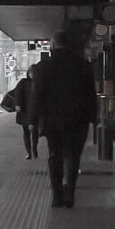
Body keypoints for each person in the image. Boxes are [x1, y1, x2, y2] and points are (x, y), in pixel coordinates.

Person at [30, 31, 98, 207]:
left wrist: (33, 120)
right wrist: (93, 117)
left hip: (52, 120)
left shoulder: (43, 67)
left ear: (53, 45)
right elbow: (91, 95)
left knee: (55, 155)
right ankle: (70, 194)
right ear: (69, 45)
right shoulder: (83, 66)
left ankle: (56, 195)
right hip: (77, 119)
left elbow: (37, 95)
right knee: (73, 156)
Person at [3, 72, 38, 159]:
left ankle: (34, 149)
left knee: (34, 132)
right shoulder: (23, 82)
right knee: (27, 132)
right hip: (25, 110)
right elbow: (17, 94)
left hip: (34, 111)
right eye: (31, 72)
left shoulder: (38, 82)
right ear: (28, 73)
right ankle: (29, 152)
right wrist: (17, 105)